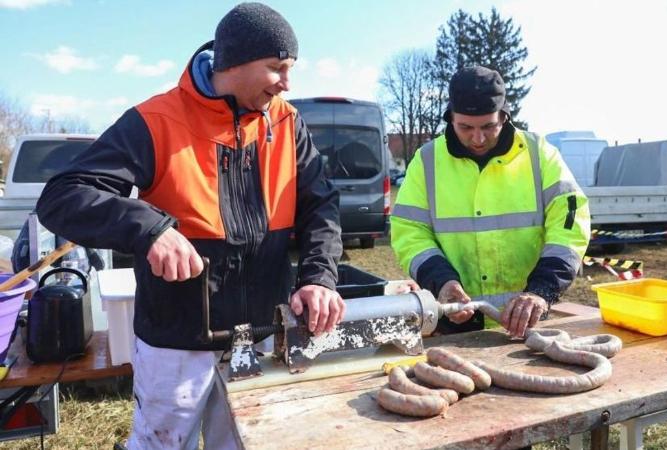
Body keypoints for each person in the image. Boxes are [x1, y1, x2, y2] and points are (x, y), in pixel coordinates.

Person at [35, 3, 343, 449]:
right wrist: (151, 228)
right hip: (176, 342)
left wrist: (319, 276)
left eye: (290, 69)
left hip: (263, 335)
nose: (286, 83)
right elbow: (64, 195)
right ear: (235, 61)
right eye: (276, 68)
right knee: (160, 444)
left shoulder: (287, 122)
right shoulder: (157, 120)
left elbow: (322, 206)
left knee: (243, 444)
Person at [391, 66, 590, 339]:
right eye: (465, 127)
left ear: (505, 116)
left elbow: (570, 224)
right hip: (454, 324)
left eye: (488, 126)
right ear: (450, 118)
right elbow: (409, 232)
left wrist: (542, 290)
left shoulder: (539, 154)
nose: (478, 138)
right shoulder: (426, 161)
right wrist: (442, 281)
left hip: (528, 325)